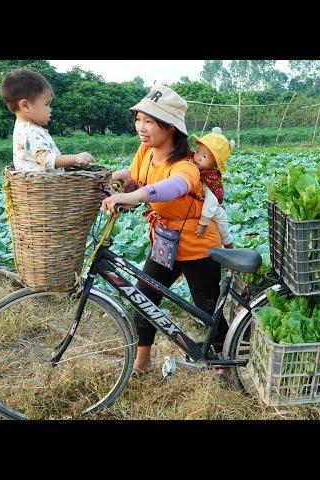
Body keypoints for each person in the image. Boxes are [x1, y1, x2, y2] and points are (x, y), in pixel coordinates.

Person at [101, 84, 227, 375]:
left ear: (170, 127)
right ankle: (142, 363)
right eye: (139, 119)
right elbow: (134, 177)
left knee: (207, 309)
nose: (140, 127)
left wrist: (133, 196)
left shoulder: (186, 166)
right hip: (165, 241)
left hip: (197, 246)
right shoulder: (146, 151)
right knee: (142, 298)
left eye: (149, 121)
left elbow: (173, 187)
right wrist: (114, 181)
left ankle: (226, 365)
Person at [0, 68, 94, 172]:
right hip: (45, 186)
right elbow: (47, 159)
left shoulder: (25, 129)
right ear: (25, 106)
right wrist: (75, 158)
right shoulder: (30, 132)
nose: (50, 109)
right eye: (46, 104)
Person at [192, 127, 235, 249]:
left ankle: (230, 250)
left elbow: (211, 202)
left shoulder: (210, 179)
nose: (198, 157)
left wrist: (203, 224)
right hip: (199, 202)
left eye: (205, 156)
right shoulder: (192, 165)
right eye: (197, 151)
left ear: (215, 163)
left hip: (211, 207)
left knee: (223, 229)